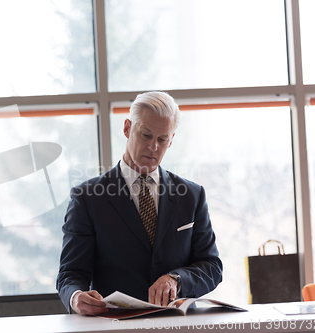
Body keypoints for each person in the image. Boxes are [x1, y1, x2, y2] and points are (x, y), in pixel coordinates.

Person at [56, 91, 223, 316]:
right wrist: (76, 298)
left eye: (162, 139)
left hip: (178, 327)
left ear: (171, 140)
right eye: (146, 135)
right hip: (115, 326)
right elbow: (71, 274)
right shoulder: (87, 198)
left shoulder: (191, 196)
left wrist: (176, 280)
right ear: (127, 128)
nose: (153, 147)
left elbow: (212, 266)